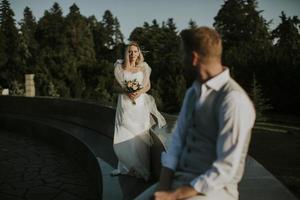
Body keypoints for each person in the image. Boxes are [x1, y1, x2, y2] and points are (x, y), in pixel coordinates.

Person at [136, 27, 255, 200]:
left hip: (214, 191)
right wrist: (163, 188)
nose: (181, 60)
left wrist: (174, 195)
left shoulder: (233, 100)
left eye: (183, 55)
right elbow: (177, 142)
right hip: (179, 182)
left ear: (193, 58)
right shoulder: (193, 92)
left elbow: (226, 169)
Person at [112, 41, 166, 181]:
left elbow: (148, 85)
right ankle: (126, 166)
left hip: (139, 105)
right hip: (125, 104)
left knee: (139, 135)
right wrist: (126, 90)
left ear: (139, 53)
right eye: (130, 51)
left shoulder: (144, 67)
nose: (132, 54)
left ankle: (140, 168)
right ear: (126, 53)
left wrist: (138, 92)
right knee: (124, 133)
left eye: (135, 51)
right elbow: (115, 87)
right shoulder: (120, 67)